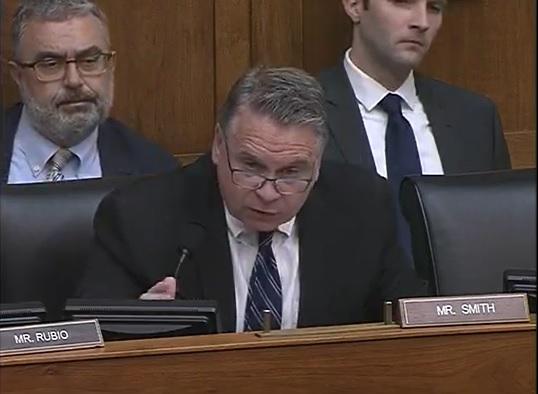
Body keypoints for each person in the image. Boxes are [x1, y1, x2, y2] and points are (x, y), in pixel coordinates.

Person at [79, 66, 427, 333]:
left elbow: (412, 319)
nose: (267, 191)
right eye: (251, 167)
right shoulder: (139, 216)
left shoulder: (362, 207)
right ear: (218, 145)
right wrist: (138, 326)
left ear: (318, 163)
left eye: (291, 172)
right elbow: (90, 338)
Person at [318, 0, 511, 257]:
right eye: (403, 2)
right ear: (354, 5)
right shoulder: (304, 111)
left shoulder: (474, 118)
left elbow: (500, 237)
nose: (422, 22)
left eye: (435, 7)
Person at [2, 0, 178, 184]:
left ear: (110, 66)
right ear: (18, 76)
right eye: (51, 64)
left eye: (89, 61)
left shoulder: (155, 172)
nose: (74, 81)